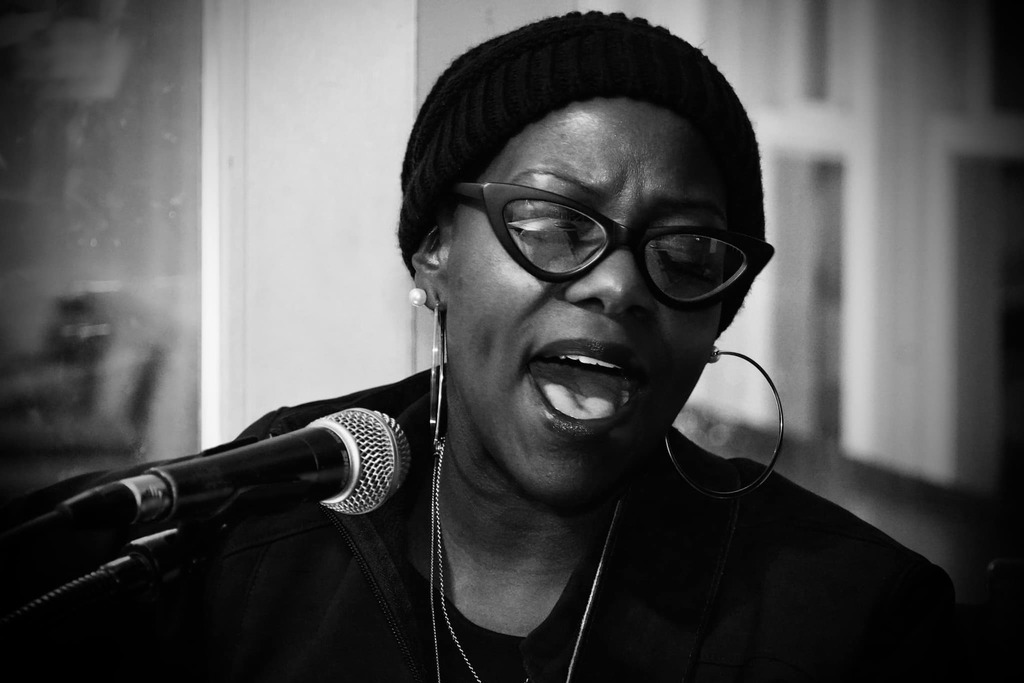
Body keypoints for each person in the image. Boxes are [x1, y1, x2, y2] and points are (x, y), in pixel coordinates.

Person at [0, 10, 958, 682]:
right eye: (554, 221)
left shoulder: (852, 618)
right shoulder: (248, 535)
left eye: (685, 252)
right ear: (435, 251)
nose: (619, 285)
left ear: (718, 315)